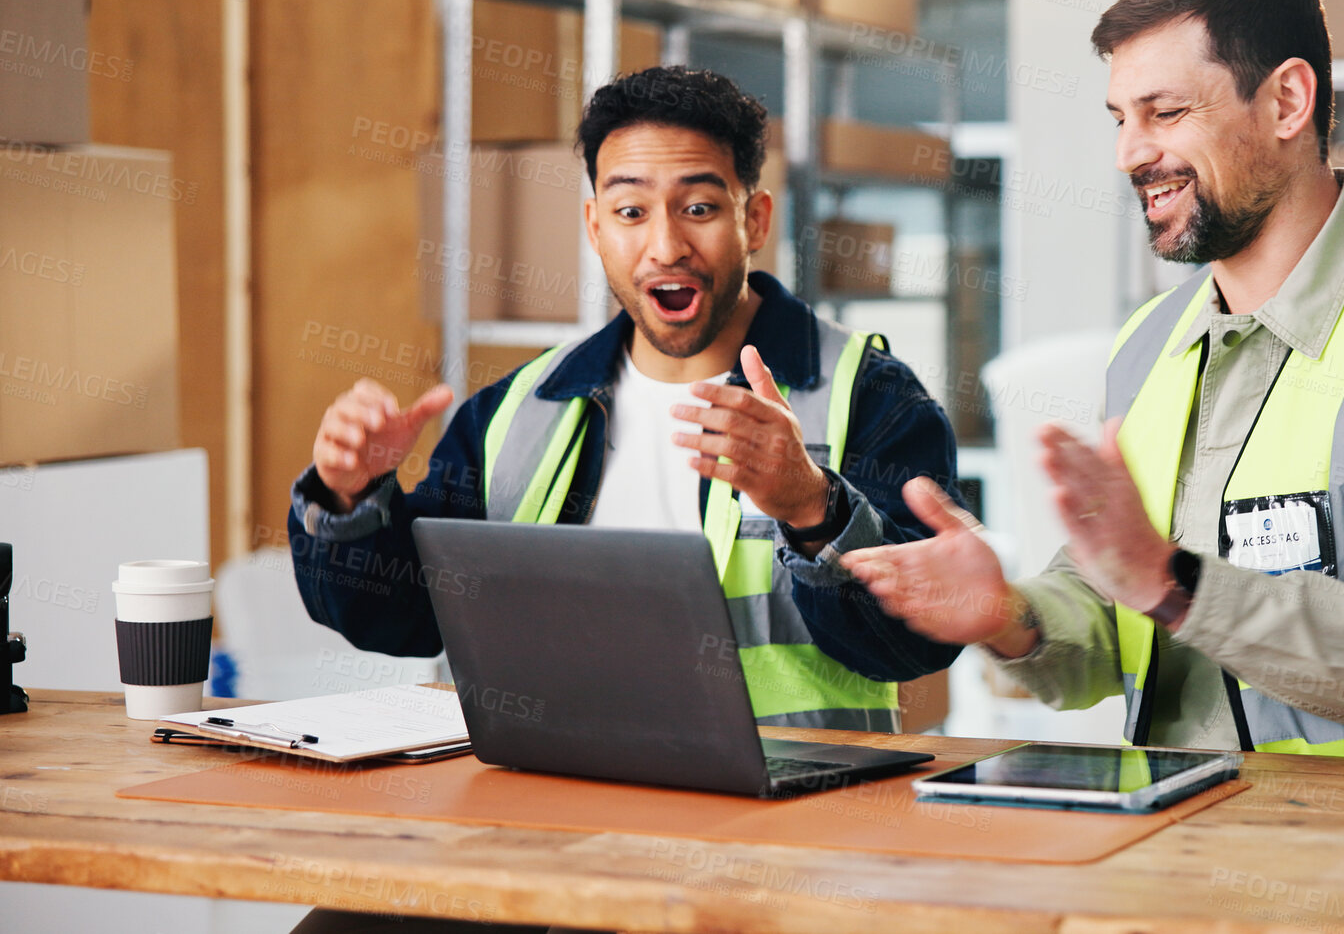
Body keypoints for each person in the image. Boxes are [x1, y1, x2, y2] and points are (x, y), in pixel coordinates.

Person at [843, 0, 1344, 767]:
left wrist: (1170, 582)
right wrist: (1009, 616)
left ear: (1286, 102)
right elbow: (1112, 604)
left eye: (1164, 112)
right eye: (1120, 119)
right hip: (1184, 851)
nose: (1128, 154)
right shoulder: (1151, 343)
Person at [288, 66, 962, 735]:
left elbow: (917, 642)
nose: (665, 246)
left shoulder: (870, 397)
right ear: (594, 225)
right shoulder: (515, 411)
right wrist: (350, 500)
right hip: (559, 809)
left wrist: (813, 507)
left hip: (788, 823)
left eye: (698, 207)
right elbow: (404, 617)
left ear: (753, 219)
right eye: (630, 211)